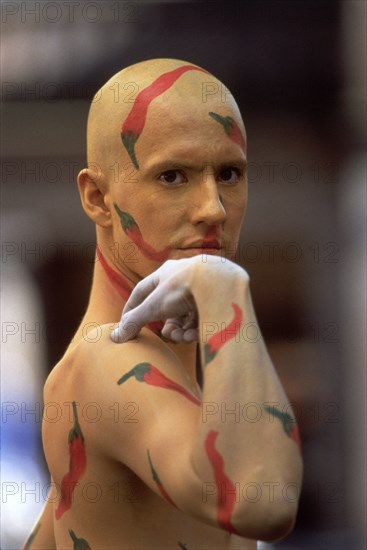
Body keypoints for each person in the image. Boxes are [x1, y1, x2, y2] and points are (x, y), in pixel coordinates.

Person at [24, 58, 303, 550]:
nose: (213, 208)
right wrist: (224, 288)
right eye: (173, 176)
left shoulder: (159, 372)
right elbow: (264, 501)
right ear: (96, 197)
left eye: (230, 174)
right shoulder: (105, 363)